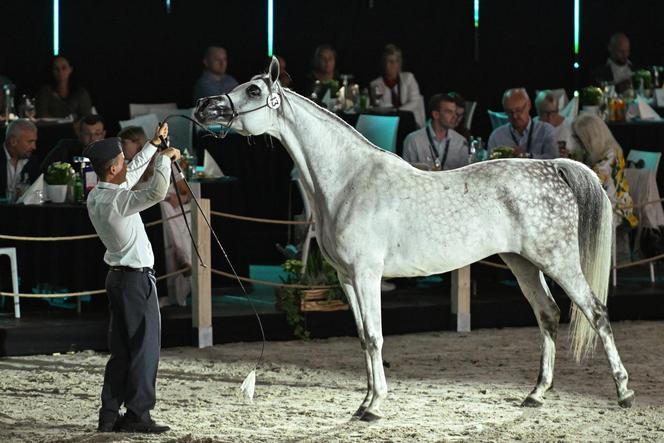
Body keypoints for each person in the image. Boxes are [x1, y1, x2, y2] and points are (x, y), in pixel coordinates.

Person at [85, 124, 179, 434]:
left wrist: (152, 146)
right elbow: (155, 191)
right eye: (123, 160)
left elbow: (132, 173)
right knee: (144, 349)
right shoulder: (118, 201)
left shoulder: (98, 195)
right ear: (113, 168)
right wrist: (164, 159)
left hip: (117, 279)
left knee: (122, 351)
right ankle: (138, 414)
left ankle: (109, 414)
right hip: (136, 282)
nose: (128, 162)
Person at [119, 126, 192, 307]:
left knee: (164, 206)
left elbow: (186, 194)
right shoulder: (131, 166)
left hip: (169, 208)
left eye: (123, 144)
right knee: (160, 207)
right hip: (147, 212)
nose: (120, 149)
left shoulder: (163, 159)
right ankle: (182, 256)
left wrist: (175, 198)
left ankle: (182, 257)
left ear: (136, 143)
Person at [571, 114, 637, 228]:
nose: (576, 141)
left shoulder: (612, 154)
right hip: (599, 205)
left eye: (578, 138)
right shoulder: (592, 152)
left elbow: (594, 181)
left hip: (616, 210)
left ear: (591, 138)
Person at [402, 93, 469, 171]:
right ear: (436, 114)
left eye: (454, 112)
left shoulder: (461, 142)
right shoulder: (413, 140)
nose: (455, 116)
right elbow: (406, 172)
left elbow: (464, 175)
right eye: (449, 112)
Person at [487, 88, 558, 159]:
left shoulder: (546, 130)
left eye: (518, 110)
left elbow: (553, 159)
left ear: (529, 105)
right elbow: (489, 165)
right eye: (509, 112)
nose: (514, 116)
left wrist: (526, 156)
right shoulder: (496, 137)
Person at [369, 44, 425, 127]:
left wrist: (397, 111)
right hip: (388, 123)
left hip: (411, 121)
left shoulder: (408, 78)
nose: (388, 66)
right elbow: (380, 106)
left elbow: (415, 101)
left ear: (399, 63)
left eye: (391, 62)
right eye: (386, 62)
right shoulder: (375, 84)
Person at [40, 115, 106, 172]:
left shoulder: (111, 152)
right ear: (79, 133)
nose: (92, 138)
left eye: (97, 134)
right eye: (87, 133)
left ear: (103, 134)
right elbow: (46, 169)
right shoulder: (66, 147)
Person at [1, 119, 39, 202]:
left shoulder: (32, 162)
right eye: (30, 142)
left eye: (35, 142)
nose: (34, 147)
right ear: (13, 141)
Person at [534, 90, 578, 158]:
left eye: (553, 112)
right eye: (545, 114)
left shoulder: (570, 125)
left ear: (558, 110)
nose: (550, 118)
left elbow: (579, 153)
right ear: (538, 112)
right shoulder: (533, 125)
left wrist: (570, 155)